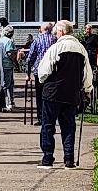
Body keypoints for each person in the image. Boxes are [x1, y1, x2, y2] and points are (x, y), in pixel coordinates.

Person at [35, 20, 93, 169]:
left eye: (56, 32)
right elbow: (87, 73)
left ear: (61, 32)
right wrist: (87, 89)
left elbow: (43, 71)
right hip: (71, 94)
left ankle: (47, 159)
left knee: (48, 126)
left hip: (52, 93)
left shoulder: (56, 48)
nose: (55, 35)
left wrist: (43, 82)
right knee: (69, 127)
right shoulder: (81, 49)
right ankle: (69, 160)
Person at [0, 26, 15, 111]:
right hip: (7, 65)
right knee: (8, 85)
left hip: (1, 64)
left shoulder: (1, 40)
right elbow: (10, 53)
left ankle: (1, 102)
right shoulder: (9, 41)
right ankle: (7, 102)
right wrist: (15, 61)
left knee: (3, 83)